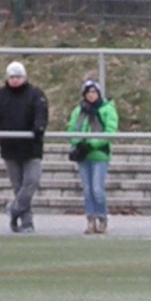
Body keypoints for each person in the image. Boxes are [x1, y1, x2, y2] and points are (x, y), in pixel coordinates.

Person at [0, 61, 49, 234]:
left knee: (31, 181)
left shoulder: (35, 94)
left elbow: (41, 113)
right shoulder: (0, 96)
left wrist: (39, 127)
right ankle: (26, 222)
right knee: (18, 186)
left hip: (31, 147)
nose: (15, 80)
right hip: (10, 148)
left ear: (25, 77)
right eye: (12, 77)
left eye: (18, 76)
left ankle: (14, 209)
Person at [66, 79, 118, 234]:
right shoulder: (78, 111)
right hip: (84, 155)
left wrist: (91, 144)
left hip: (99, 154)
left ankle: (102, 218)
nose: (91, 95)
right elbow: (72, 129)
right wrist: (78, 144)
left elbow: (110, 132)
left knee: (97, 189)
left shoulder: (107, 110)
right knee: (87, 190)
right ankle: (90, 219)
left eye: (94, 92)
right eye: (88, 92)